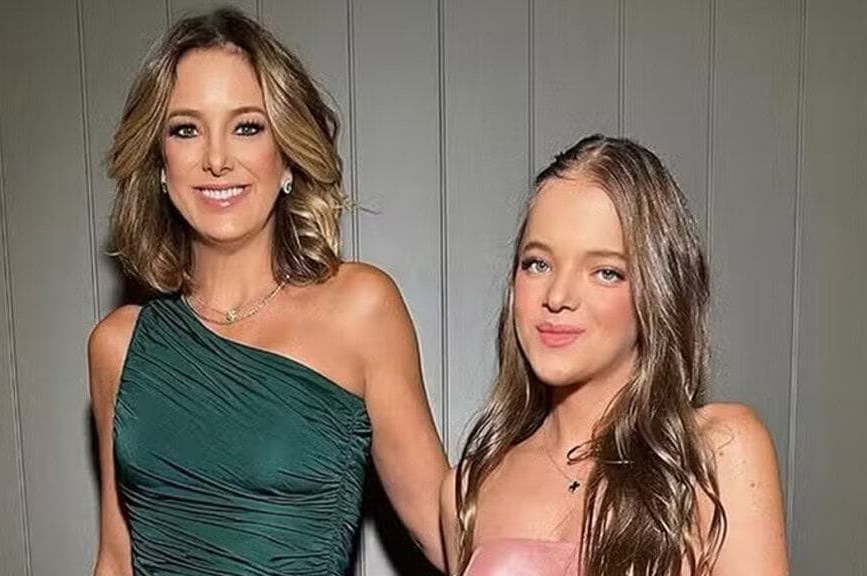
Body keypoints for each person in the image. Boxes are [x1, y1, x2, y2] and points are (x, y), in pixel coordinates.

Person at [88, 8, 446, 575]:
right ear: (160, 163)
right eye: (186, 129)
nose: (216, 159)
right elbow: (115, 560)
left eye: (247, 127)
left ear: (287, 158)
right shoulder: (119, 346)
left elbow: (445, 531)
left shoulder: (360, 309)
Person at [441, 135, 788, 575]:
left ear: (657, 290)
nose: (558, 296)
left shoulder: (717, 450)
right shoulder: (467, 490)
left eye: (606, 272)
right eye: (538, 264)